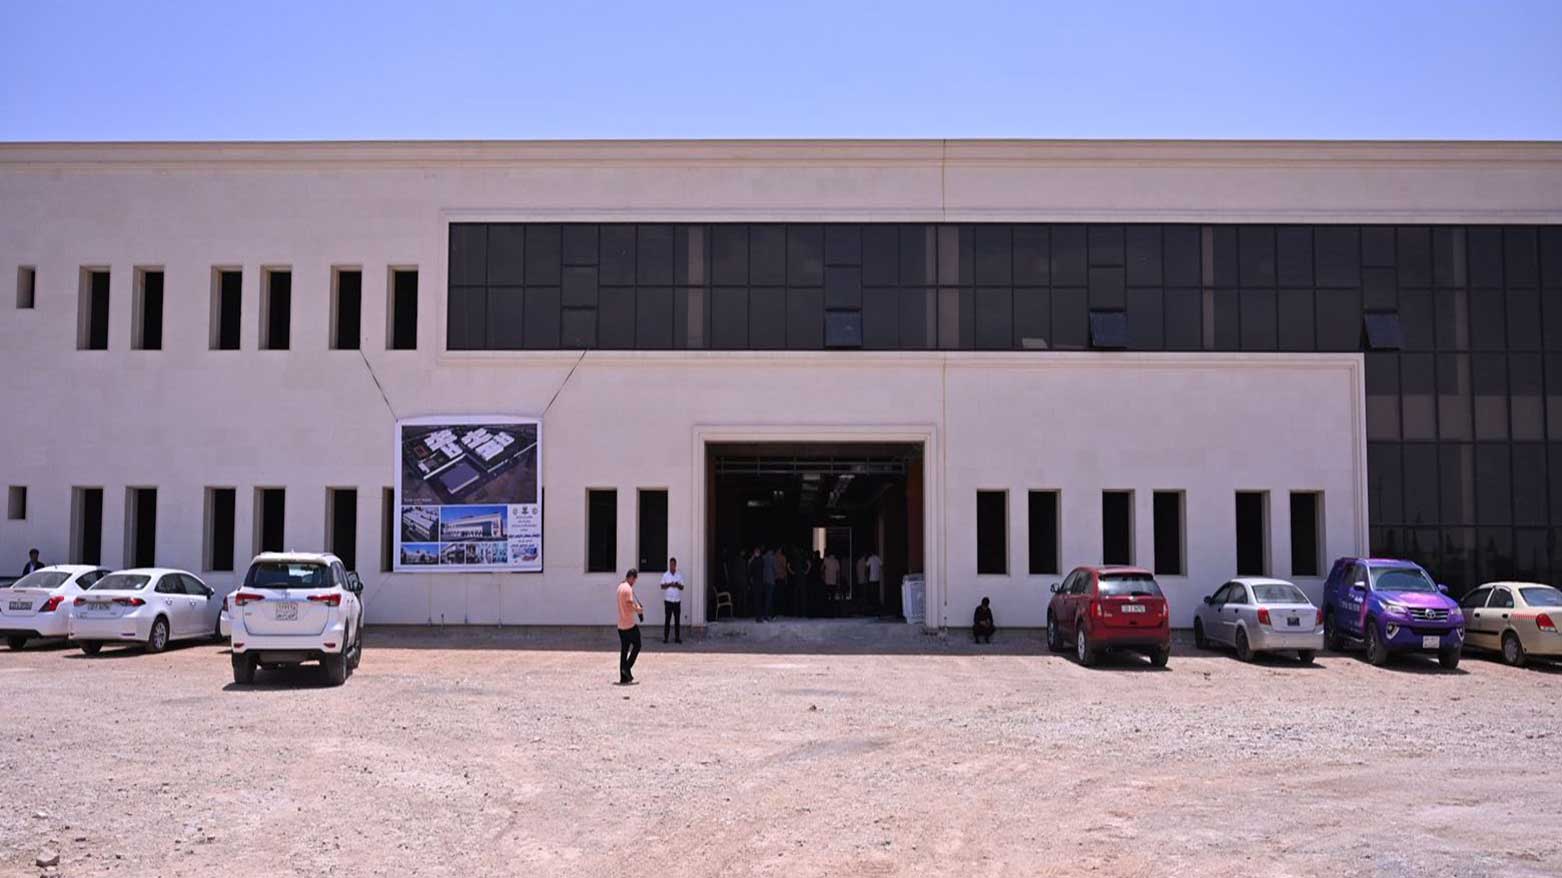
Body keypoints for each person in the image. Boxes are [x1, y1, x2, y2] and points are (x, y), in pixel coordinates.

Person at [616, 569, 644, 684]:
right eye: (634, 580)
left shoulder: (620, 587)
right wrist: (638, 610)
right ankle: (627, 668)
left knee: (624, 650)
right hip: (629, 625)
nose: (634, 582)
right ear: (631, 577)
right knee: (637, 645)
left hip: (621, 625)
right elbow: (628, 604)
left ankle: (623, 677)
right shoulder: (627, 588)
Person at [660, 557, 685, 644]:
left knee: (677, 620)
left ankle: (677, 638)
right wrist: (669, 584)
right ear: (669, 565)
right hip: (668, 601)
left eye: (673, 565)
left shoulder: (679, 575)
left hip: (677, 601)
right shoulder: (665, 575)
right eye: (670, 565)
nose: (672, 566)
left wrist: (677, 585)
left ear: (675, 565)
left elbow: (682, 587)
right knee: (667, 620)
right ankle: (666, 638)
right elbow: (662, 586)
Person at [748, 547, 767, 622]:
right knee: (759, 600)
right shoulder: (761, 560)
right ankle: (759, 617)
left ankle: (758, 617)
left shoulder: (753, 561)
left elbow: (750, 572)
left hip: (756, 583)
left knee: (757, 600)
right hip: (760, 582)